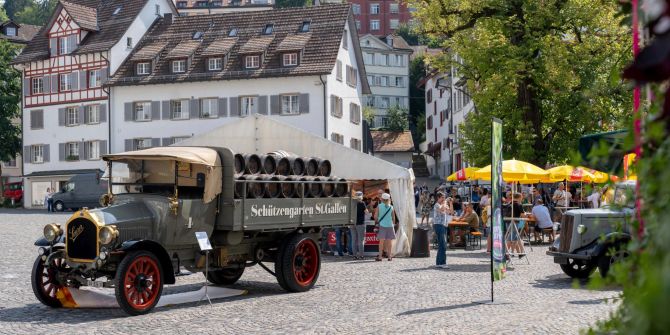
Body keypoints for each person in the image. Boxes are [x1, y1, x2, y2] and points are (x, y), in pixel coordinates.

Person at [432, 192, 451, 268]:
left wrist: (450, 203)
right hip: (439, 225)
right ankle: (442, 263)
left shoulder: (443, 204)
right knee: (443, 244)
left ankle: (439, 263)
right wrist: (445, 202)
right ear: (438, 198)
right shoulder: (437, 205)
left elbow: (450, 212)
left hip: (443, 225)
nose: (444, 199)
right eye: (442, 197)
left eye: (444, 197)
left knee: (442, 244)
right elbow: (441, 209)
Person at [375, 193, 396, 261]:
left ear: (382, 199)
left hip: (382, 225)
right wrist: (392, 224)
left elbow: (375, 216)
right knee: (389, 242)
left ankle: (380, 256)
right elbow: (393, 218)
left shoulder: (379, 206)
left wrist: (377, 221)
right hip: (390, 225)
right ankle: (389, 256)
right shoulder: (391, 207)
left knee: (381, 242)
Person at [351, 191, 368, 259]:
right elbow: (366, 212)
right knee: (361, 240)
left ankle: (354, 255)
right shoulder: (362, 203)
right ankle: (361, 255)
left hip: (352, 223)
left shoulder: (352, 203)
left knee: (353, 240)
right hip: (360, 223)